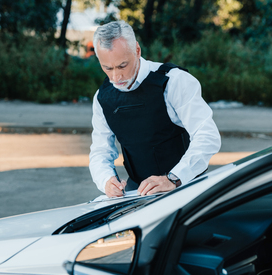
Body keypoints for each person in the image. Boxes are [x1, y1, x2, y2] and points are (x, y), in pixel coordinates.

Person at [89, 20, 221, 198]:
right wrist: (106, 180)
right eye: (107, 68)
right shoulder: (103, 97)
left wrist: (174, 178)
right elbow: (100, 150)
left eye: (122, 66)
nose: (116, 76)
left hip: (185, 186)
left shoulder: (174, 81)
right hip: (138, 192)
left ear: (137, 50)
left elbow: (207, 135)